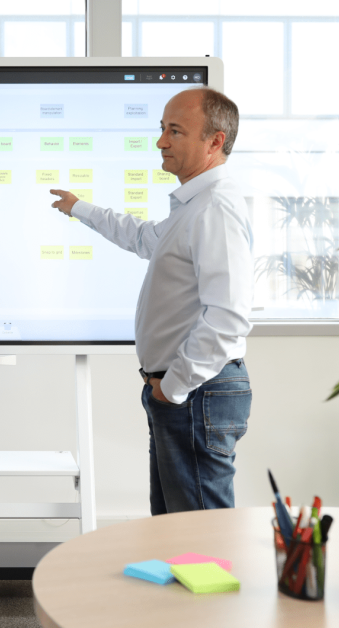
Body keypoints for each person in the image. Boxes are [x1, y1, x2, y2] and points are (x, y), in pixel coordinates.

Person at [49, 87, 253, 515]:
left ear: (215, 141)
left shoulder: (215, 208)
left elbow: (228, 317)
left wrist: (173, 388)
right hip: (185, 392)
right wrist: (80, 208)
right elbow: (144, 238)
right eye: (161, 129)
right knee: (173, 529)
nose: (161, 141)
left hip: (196, 391)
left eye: (175, 131)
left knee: (199, 535)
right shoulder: (193, 207)